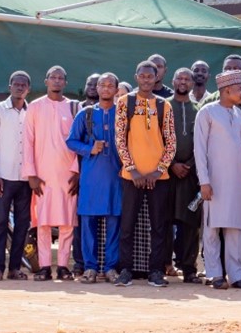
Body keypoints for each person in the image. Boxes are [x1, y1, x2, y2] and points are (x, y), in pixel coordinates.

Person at [113, 60, 177, 287]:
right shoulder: (125, 102)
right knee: (127, 225)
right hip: (132, 176)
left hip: (158, 178)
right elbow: (120, 138)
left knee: (159, 226)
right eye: (143, 76)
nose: (147, 79)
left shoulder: (164, 106)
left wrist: (158, 170)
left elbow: (171, 142)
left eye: (151, 76)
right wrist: (133, 169)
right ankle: (126, 270)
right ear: (137, 77)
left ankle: (156, 271)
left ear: (157, 77)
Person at [195, 69, 241, 289]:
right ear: (226, 90)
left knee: (236, 227)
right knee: (212, 228)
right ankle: (215, 273)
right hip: (214, 181)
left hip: (237, 182)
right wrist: (204, 181)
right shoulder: (207, 112)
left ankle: (236, 275)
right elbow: (199, 149)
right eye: (239, 89)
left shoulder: (239, 114)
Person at [22, 66, 81, 281]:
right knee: (43, 223)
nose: (56, 81)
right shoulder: (35, 107)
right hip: (42, 175)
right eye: (53, 77)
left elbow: (81, 141)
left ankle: (64, 266)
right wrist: (31, 174)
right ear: (46, 81)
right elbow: (27, 142)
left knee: (67, 223)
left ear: (65, 82)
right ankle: (45, 266)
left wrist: (77, 171)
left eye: (60, 78)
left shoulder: (75, 108)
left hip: (67, 174)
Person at [67, 71, 122, 283]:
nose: (106, 88)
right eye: (102, 85)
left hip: (116, 179)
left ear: (117, 91)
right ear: (96, 89)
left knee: (114, 224)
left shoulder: (123, 115)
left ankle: (110, 268)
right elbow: (71, 141)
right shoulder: (86, 114)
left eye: (110, 85)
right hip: (90, 179)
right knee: (88, 224)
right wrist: (90, 148)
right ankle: (90, 268)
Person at [0, 72, 32, 282]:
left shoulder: (31, 112)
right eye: (16, 84)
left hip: (25, 179)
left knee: (22, 224)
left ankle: (15, 268)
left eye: (23, 85)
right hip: (3, 177)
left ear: (28, 89)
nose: (19, 87)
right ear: (10, 86)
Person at [166, 68, 203, 284]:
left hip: (191, 175)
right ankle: (163, 265)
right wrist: (171, 164)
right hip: (166, 174)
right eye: (179, 78)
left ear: (192, 83)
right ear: (173, 81)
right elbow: (157, 140)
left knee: (190, 223)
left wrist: (188, 165)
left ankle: (188, 268)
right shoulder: (163, 107)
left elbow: (202, 143)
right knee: (164, 221)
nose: (183, 81)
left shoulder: (199, 110)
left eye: (186, 79)